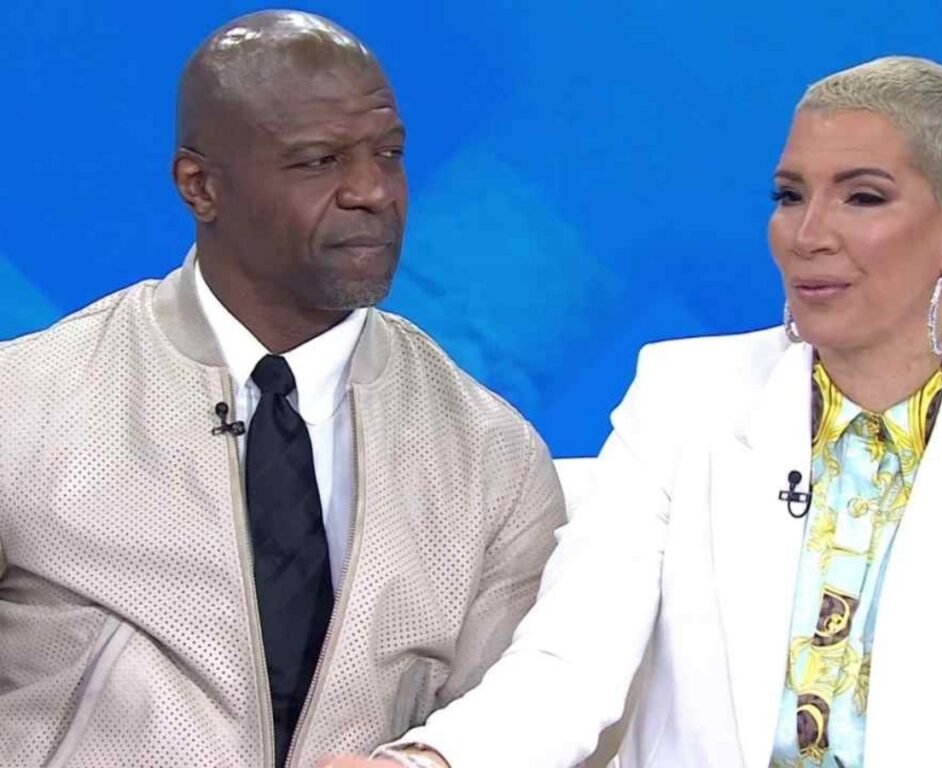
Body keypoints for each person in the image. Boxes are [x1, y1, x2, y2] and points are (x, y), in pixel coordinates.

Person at [326, 56, 942, 768]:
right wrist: (430, 762)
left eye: (863, 198)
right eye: (790, 197)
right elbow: (570, 664)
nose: (808, 234)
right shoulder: (684, 397)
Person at [0, 11, 564, 767]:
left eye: (388, 154)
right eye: (319, 161)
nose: (372, 191)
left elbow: (515, 729)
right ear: (201, 187)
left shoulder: (493, 460)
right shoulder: (26, 402)